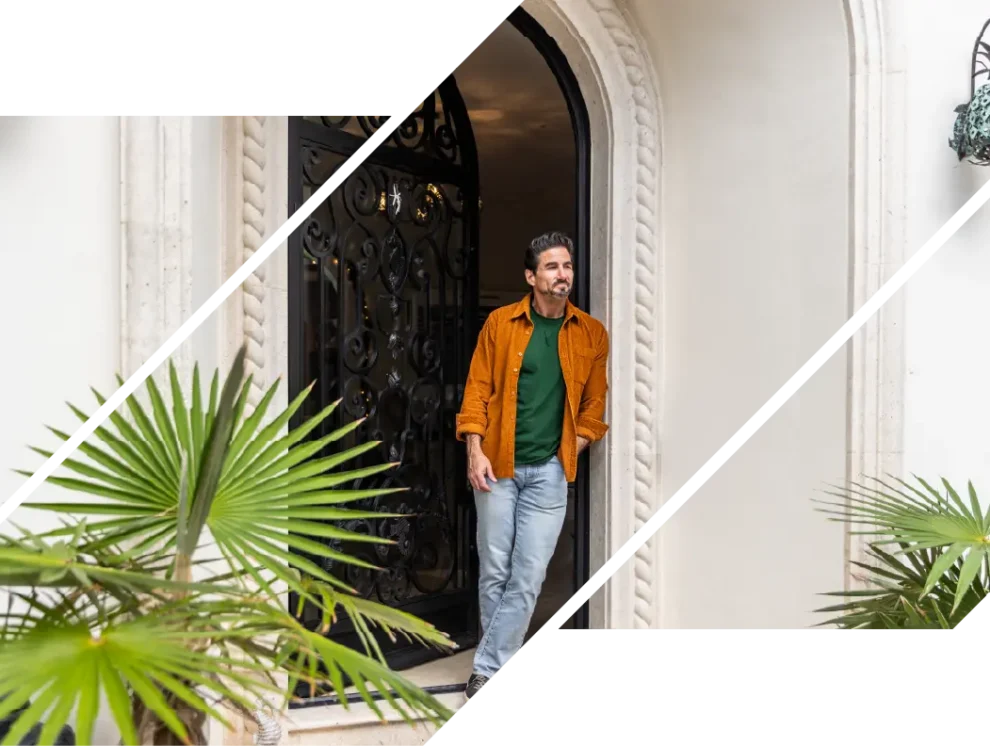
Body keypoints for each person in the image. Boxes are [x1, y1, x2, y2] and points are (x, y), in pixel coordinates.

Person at [455, 230, 610, 704]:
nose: (562, 274)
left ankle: (486, 667)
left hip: (548, 472)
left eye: (566, 266)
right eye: (551, 267)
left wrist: (572, 448)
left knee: (528, 574)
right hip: (497, 465)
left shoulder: (590, 333)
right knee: (496, 571)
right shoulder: (501, 324)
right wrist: (474, 451)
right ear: (531, 276)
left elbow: (592, 409)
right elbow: (477, 391)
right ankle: (498, 667)